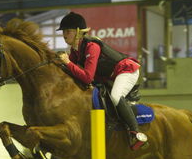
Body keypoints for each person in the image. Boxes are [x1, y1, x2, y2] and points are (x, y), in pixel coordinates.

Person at [56, 12, 147, 150]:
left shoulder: (92, 46)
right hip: (108, 77)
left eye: (68, 31)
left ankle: (136, 133)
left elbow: (87, 77)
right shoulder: (75, 51)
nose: (64, 34)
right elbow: (73, 72)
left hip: (126, 70)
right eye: (63, 31)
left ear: (79, 32)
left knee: (116, 96)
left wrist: (67, 63)